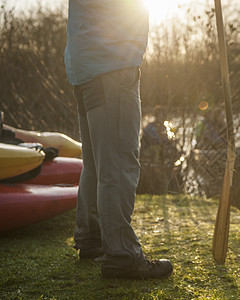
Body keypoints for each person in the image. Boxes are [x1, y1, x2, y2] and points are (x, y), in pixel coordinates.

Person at [65, 0, 173, 279]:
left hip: (86, 65)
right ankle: (122, 254)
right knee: (118, 162)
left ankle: (92, 236)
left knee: (96, 162)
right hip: (111, 64)